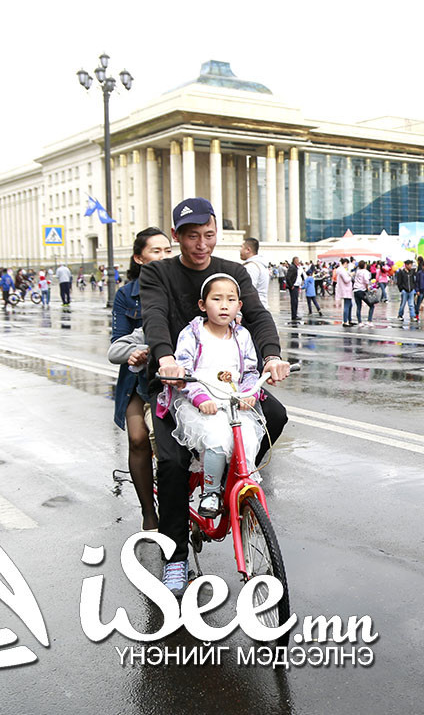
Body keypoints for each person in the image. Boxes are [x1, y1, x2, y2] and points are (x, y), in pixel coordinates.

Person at [140, 197, 290, 595]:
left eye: (208, 235)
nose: (201, 244)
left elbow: (257, 316)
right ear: (177, 236)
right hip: (179, 384)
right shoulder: (158, 273)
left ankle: (226, 482)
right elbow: (154, 315)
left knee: (275, 416)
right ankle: (174, 557)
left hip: (231, 388)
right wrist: (166, 357)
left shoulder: (232, 272)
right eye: (192, 236)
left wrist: (271, 357)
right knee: (171, 464)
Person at [160, 273, 265, 519]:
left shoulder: (242, 335)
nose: (224, 305)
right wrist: (199, 398)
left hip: (233, 402)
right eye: (217, 299)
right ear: (202, 304)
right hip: (201, 404)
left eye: (231, 300)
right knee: (216, 438)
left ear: (239, 306)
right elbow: (183, 370)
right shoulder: (193, 333)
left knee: (247, 438)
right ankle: (211, 492)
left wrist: (249, 393)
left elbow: (251, 371)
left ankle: (243, 488)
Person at [108, 227, 172, 533]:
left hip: (178, 377)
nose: (163, 256)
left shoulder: (180, 283)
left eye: (167, 251)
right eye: (155, 251)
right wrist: (137, 353)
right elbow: (117, 344)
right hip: (140, 379)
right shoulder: (126, 294)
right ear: (139, 257)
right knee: (137, 439)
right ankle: (149, 513)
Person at [240, 237, 270, 308]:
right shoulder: (261, 265)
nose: (240, 250)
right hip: (261, 305)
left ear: (248, 250)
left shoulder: (251, 267)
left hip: (253, 308)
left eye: (241, 247)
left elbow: (248, 291)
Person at [352, 260, 375, 325]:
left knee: (358, 307)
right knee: (371, 305)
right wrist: (368, 287)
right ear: (365, 265)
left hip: (356, 290)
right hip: (362, 290)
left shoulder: (357, 271)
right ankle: (369, 321)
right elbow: (366, 281)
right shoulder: (365, 272)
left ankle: (360, 322)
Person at [396, 259, 417, 323]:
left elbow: (414, 280)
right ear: (406, 265)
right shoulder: (401, 272)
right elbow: (399, 282)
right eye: (410, 265)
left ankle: (412, 316)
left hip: (411, 290)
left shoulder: (412, 272)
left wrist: (413, 288)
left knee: (411, 304)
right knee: (403, 304)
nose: (411, 266)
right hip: (404, 290)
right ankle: (400, 315)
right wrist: (401, 289)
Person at [285, 257, 304, 322]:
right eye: (298, 261)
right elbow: (288, 277)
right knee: (294, 301)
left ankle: (295, 314)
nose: (299, 262)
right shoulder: (292, 267)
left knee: (296, 301)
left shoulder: (296, 267)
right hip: (294, 286)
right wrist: (291, 285)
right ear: (295, 261)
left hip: (296, 286)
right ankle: (294, 315)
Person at [336, 258, 354, 326]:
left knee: (350, 305)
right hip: (345, 290)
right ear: (345, 263)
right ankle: (345, 321)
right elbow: (346, 280)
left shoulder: (342, 270)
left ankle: (349, 320)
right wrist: (351, 276)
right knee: (347, 305)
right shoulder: (342, 270)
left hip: (346, 289)